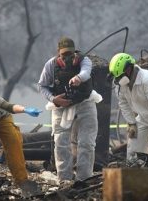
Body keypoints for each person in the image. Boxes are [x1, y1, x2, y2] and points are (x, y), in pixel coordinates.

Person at [38, 36, 100, 184]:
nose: (67, 57)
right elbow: (42, 86)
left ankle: (83, 178)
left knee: (86, 142)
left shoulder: (84, 60)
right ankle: (64, 179)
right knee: (61, 142)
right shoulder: (51, 65)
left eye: (70, 54)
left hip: (85, 102)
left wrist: (78, 78)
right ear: (58, 53)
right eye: (64, 54)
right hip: (61, 105)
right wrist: (54, 99)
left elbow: (86, 71)